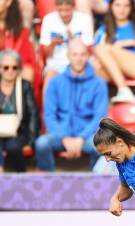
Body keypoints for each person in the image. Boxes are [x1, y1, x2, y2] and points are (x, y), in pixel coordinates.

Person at [35, 39, 108, 172]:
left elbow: (100, 118)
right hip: (60, 135)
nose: (78, 59)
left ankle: (94, 184)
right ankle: (49, 185)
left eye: (82, 54)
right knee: (41, 143)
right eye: (74, 54)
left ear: (88, 56)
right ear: (68, 56)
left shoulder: (99, 84)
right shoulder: (55, 83)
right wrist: (64, 138)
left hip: (87, 136)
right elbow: (49, 115)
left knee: (102, 145)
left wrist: (80, 139)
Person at [40, 0, 94, 91]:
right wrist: (53, 43)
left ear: (73, 7)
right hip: (56, 64)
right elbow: (44, 54)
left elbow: (90, 51)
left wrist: (74, 40)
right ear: (56, 7)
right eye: (60, 10)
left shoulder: (84, 19)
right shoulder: (48, 19)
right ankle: (46, 107)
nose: (64, 14)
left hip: (80, 62)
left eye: (67, 10)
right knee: (49, 80)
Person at [0, 49, 38, 173]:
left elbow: (33, 114)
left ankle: (21, 176)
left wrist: (32, 141)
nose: (10, 71)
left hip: (19, 132)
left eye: (14, 67)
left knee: (13, 147)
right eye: (6, 67)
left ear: (19, 69)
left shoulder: (25, 86)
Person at [0, 0, 34, 83]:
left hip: (12, 67)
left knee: (27, 72)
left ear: (9, 2)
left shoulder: (17, 29)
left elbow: (25, 57)